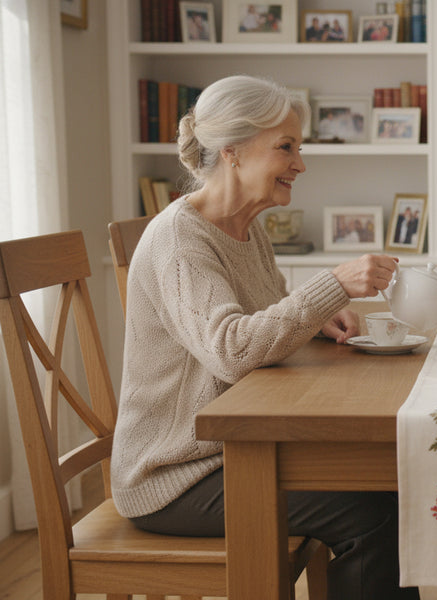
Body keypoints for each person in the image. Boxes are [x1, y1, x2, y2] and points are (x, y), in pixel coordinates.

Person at [109, 75, 419, 600]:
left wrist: (317, 318)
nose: (300, 164)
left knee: (387, 485)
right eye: (286, 147)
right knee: (371, 512)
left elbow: (262, 322)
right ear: (231, 152)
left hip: (230, 451)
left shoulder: (246, 230)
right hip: (174, 475)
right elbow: (233, 351)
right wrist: (333, 285)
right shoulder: (181, 241)